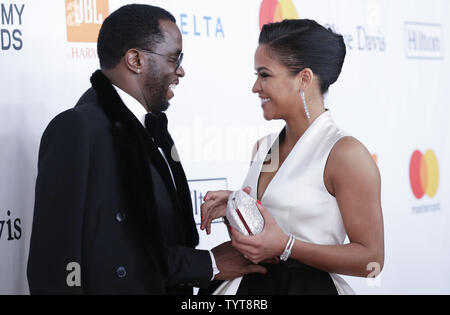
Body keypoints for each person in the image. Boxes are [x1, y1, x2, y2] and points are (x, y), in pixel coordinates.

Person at [27, 4, 266, 295]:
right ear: (135, 60)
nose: (181, 70)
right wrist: (209, 263)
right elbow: (55, 263)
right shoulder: (77, 128)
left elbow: (151, 243)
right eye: (174, 58)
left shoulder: (154, 131)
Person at [200, 19, 384, 294]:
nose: (255, 87)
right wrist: (238, 207)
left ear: (304, 79)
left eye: (264, 75)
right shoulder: (262, 147)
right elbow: (263, 240)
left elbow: (371, 260)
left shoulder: (345, 154)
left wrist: (287, 246)